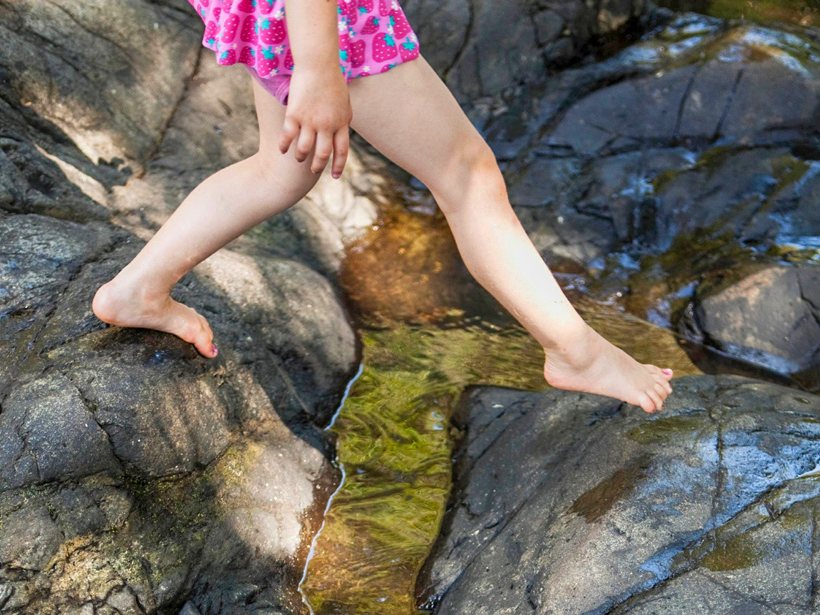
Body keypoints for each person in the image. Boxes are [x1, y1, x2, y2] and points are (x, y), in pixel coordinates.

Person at [93, 0, 673, 413]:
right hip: (319, 16)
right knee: (466, 175)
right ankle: (575, 352)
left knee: (281, 168)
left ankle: (138, 289)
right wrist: (320, 70)